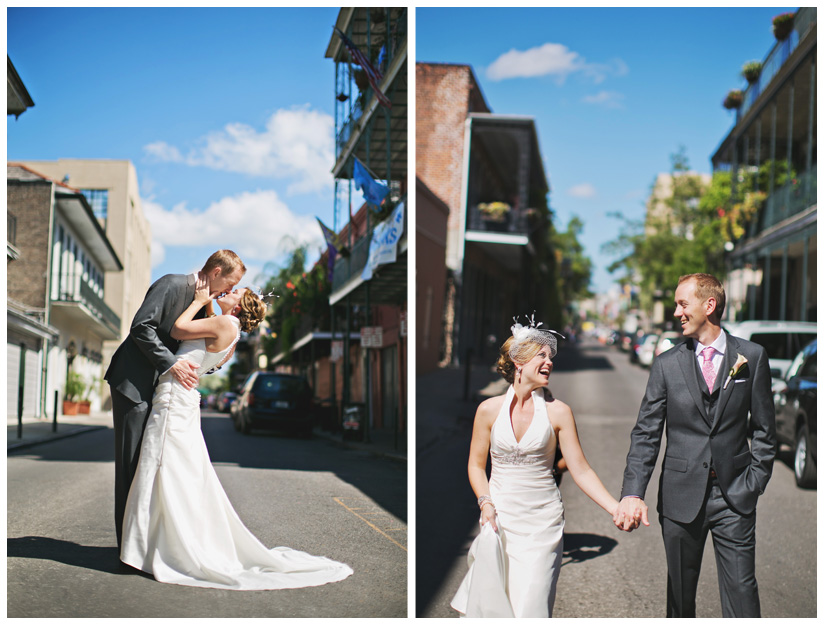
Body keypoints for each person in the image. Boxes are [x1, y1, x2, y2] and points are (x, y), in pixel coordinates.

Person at [119, 277, 353, 589]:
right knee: (174, 471)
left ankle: (157, 547)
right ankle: (156, 543)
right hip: (180, 397)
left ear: (240, 306)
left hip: (176, 398)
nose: (230, 291)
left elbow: (177, 330)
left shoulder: (224, 323)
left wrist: (199, 300)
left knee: (162, 466)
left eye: (235, 292)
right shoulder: (231, 330)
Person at [614, 273, 776, 618]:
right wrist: (633, 492)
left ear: (709, 305)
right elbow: (646, 432)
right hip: (680, 496)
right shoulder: (666, 364)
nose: (677, 312)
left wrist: (755, 481)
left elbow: (764, 430)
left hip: (734, 494)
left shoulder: (752, 357)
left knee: (743, 595)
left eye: (683, 304)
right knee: (681, 597)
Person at [451, 315, 618, 618]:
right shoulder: (488, 411)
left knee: (532, 608)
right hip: (499, 520)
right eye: (541, 355)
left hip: (542, 526)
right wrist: (485, 503)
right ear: (519, 361)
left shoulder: (559, 413)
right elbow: (476, 466)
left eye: (550, 356)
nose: (549, 362)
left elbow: (580, 469)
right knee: (495, 609)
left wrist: (614, 508)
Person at [105, 249, 246, 549]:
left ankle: (148, 541)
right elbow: (141, 327)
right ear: (217, 272)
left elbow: (197, 349)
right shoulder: (171, 284)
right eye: (230, 283)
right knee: (131, 464)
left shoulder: (206, 306)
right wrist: (171, 364)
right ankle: (127, 547)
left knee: (150, 465)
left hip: (162, 392)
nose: (230, 291)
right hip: (133, 383)